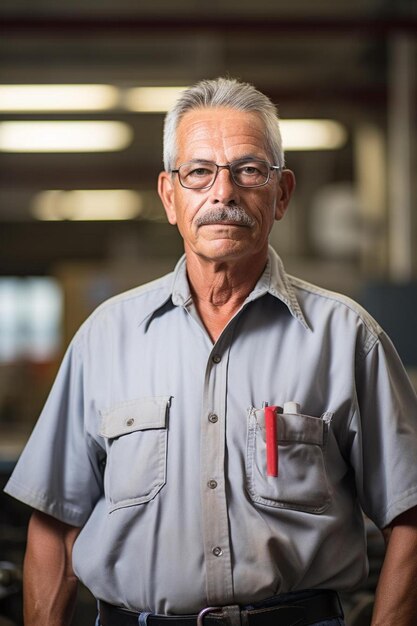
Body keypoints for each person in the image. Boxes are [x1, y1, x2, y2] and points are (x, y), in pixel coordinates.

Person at [4, 77, 417, 626]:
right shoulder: (105, 338)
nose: (223, 192)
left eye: (249, 170)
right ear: (170, 196)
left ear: (282, 194)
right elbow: (55, 525)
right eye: (199, 172)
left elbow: (409, 520)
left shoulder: (348, 339)